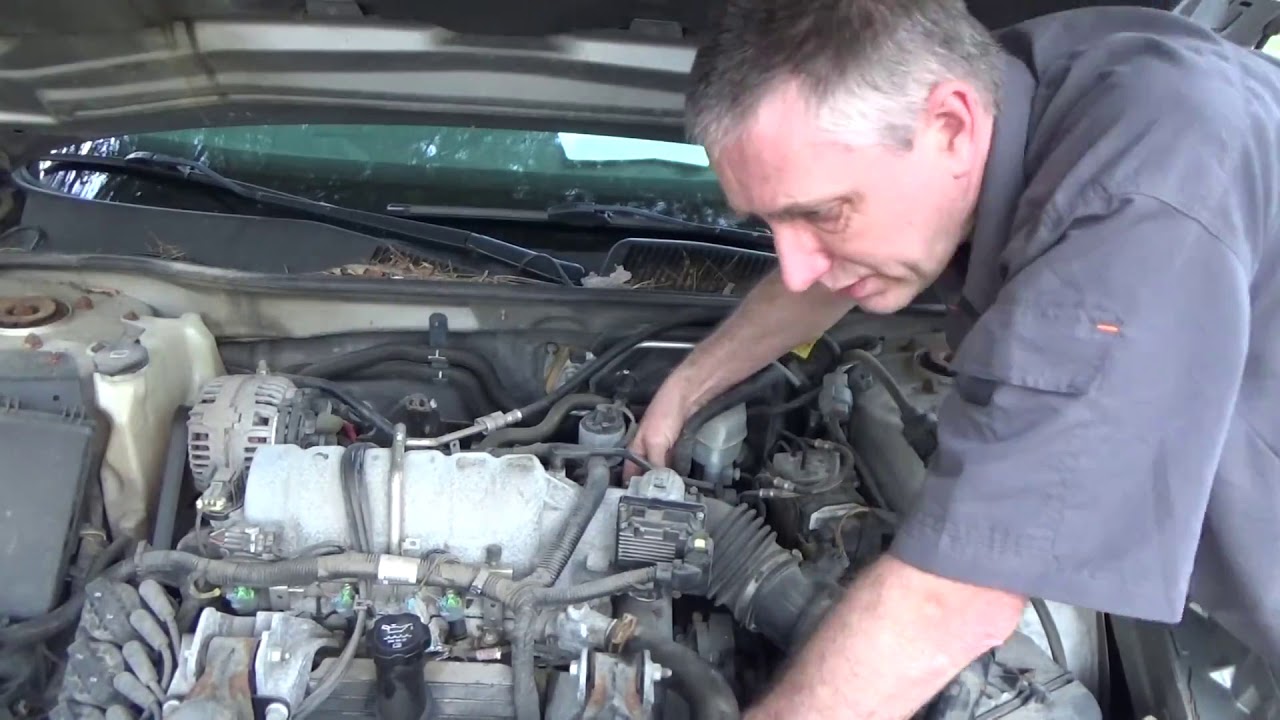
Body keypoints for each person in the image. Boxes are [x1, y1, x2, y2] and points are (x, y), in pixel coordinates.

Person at [625, 0, 1280, 717]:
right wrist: (690, 384)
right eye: (772, 221)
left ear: (952, 128)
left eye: (820, 213)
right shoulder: (1000, 94)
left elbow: (957, 601)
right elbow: (821, 281)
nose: (798, 264)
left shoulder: (1135, 191)